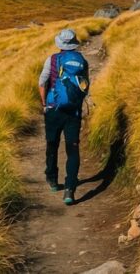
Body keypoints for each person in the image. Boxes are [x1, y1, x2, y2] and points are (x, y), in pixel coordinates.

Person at [38, 28, 90, 205]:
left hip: (53, 109)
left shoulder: (52, 60)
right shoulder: (82, 61)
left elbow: (42, 83)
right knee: (72, 149)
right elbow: (85, 86)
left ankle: (52, 179)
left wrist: (45, 104)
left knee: (52, 144)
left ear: (60, 43)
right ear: (74, 43)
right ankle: (69, 189)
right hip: (73, 112)